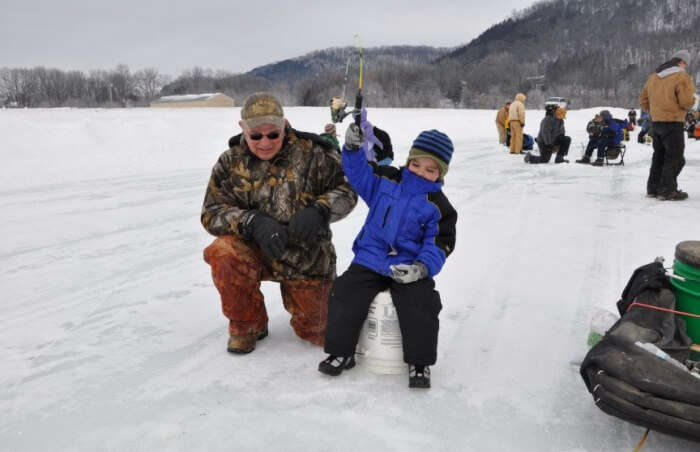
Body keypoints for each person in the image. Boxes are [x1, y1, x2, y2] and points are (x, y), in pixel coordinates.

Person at [201, 92, 358, 354]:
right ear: (243, 129)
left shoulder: (315, 154)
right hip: (256, 251)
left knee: (320, 334)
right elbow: (211, 212)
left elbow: (349, 189)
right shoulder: (229, 162)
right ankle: (247, 324)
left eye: (273, 134)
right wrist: (251, 221)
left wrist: (320, 210)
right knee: (223, 251)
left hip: (305, 255)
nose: (265, 142)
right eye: (256, 136)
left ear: (284, 125)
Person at [319, 124, 457, 389]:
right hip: (370, 260)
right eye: (417, 165)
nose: (421, 173)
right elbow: (358, 174)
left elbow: (438, 244)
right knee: (345, 291)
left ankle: (420, 362)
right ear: (409, 161)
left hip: (408, 266)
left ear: (440, 174)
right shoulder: (386, 180)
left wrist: (421, 268)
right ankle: (341, 352)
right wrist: (351, 149)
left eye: (431, 170)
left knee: (422, 302)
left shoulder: (439, 207)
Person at [639, 49, 697, 200]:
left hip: (656, 123)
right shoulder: (681, 76)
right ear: (682, 62)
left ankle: (653, 188)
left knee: (659, 155)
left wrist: (656, 112)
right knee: (675, 157)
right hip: (673, 122)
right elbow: (686, 102)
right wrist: (692, 101)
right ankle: (667, 190)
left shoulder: (654, 76)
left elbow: (643, 102)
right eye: (686, 64)